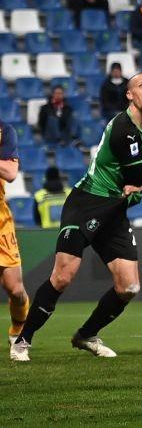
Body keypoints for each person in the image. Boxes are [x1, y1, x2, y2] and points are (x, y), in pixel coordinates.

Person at [11, 74, 142, 362]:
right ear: (129, 95)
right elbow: (137, 176)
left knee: (129, 287)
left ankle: (86, 335)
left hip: (115, 210)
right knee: (62, 276)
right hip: (87, 203)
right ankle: (23, 340)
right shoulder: (124, 128)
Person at [0, 115, 29, 359]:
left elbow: (10, 172)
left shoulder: (4, 131)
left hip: (0, 223)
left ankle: (17, 332)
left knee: (15, 289)